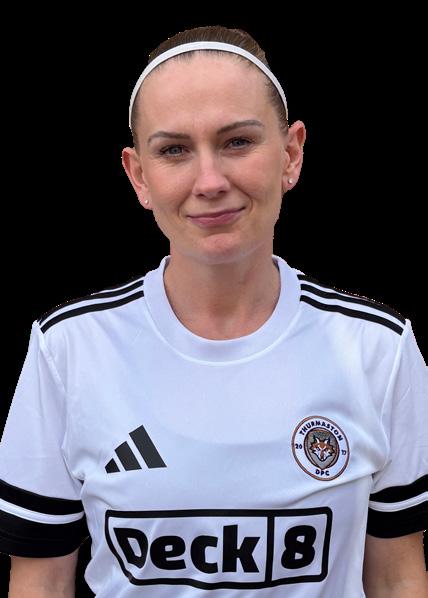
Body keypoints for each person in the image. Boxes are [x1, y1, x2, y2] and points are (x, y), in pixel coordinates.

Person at [1, 25, 427, 598]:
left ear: (291, 154)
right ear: (138, 175)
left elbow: (397, 575)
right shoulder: (69, 349)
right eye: (174, 150)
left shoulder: (378, 349)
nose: (209, 181)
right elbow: (42, 580)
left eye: (237, 142)